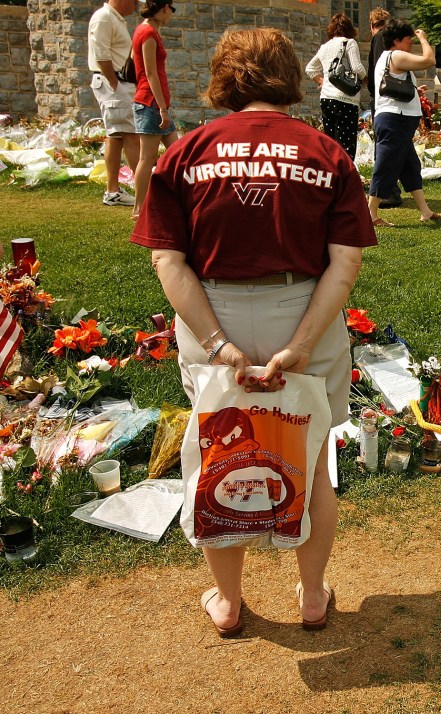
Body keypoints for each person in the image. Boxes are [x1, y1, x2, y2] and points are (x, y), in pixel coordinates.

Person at [130, 27, 377, 639]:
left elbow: (168, 261)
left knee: (220, 457)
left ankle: (229, 599)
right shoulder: (326, 151)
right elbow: (345, 262)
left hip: (215, 308)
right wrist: (300, 345)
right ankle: (313, 595)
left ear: (225, 76)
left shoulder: (184, 151)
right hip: (305, 307)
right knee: (314, 464)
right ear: (290, 76)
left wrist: (217, 344)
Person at [368, 19, 441, 227]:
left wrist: (414, 93)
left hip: (397, 120)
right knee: (386, 165)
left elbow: (393, 87)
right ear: (398, 40)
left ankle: (425, 212)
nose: (412, 43)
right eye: (409, 39)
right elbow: (429, 60)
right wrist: (424, 39)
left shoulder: (389, 58)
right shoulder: (396, 55)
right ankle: (370, 215)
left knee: (410, 166)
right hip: (395, 121)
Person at [87, 0, 139, 207]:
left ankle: (113, 191)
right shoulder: (104, 17)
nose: (135, 5)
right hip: (113, 82)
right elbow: (102, 54)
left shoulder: (113, 18)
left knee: (115, 137)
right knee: (131, 135)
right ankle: (145, 189)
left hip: (116, 81)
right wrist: (115, 83)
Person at [130, 0, 178, 219]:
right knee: (147, 158)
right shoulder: (148, 33)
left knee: (177, 153)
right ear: (165, 8)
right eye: (171, 10)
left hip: (153, 103)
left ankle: (176, 198)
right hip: (151, 103)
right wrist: (162, 109)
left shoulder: (144, 30)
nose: (171, 15)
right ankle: (139, 209)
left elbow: (133, 59)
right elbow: (150, 73)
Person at [306, 12, 367, 161]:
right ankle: (346, 178)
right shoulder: (349, 43)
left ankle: (332, 176)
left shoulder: (324, 46)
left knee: (331, 142)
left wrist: (322, 81)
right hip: (345, 99)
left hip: (326, 97)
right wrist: (366, 79)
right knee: (346, 143)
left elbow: (310, 68)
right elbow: (357, 68)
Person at [365, 7, 401, 208]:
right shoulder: (389, 40)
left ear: (372, 24)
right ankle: (388, 189)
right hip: (389, 100)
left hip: (382, 100)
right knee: (394, 146)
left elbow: (378, 71)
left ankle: (387, 192)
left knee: (384, 147)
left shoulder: (379, 39)